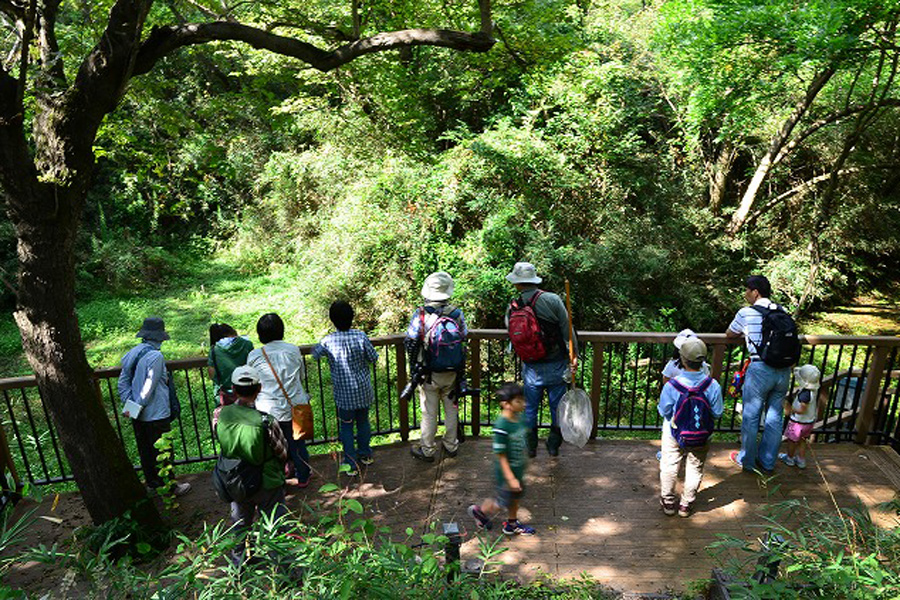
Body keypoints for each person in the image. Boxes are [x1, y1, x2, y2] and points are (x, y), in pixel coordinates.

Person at [214, 365, 289, 567]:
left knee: (240, 523)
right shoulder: (266, 421)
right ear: (259, 388)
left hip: (234, 478)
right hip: (266, 480)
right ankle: (283, 570)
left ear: (234, 389)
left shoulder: (219, 414)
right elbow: (281, 451)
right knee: (275, 524)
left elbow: (220, 437)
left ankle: (238, 567)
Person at [505, 262, 577, 458]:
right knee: (557, 407)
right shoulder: (552, 300)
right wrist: (574, 356)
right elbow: (567, 329)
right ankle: (553, 445)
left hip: (531, 367)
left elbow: (512, 334)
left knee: (530, 408)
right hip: (556, 364)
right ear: (534, 280)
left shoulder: (513, 306)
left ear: (517, 284)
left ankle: (531, 447)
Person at [726, 275, 792, 474]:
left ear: (755, 292)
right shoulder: (782, 311)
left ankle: (747, 460)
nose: (745, 293)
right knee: (774, 417)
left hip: (760, 369)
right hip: (783, 370)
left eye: (747, 290)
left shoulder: (746, 313)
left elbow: (730, 334)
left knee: (751, 416)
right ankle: (768, 461)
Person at [118, 316, 191, 496]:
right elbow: (149, 387)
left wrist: (131, 406)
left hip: (138, 415)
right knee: (163, 451)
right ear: (159, 337)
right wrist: (138, 405)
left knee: (146, 450)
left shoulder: (132, 353)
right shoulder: (155, 356)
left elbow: (123, 382)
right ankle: (170, 487)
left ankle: (152, 484)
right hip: (157, 413)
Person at [406, 272, 468, 463]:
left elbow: (411, 339)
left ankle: (428, 449)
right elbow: (464, 335)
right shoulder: (456, 314)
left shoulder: (421, 314)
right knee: (451, 408)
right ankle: (451, 445)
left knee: (429, 411)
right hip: (452, 372)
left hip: (428, 372)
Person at [658, 338, 723, 518]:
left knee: (670, 465)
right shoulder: (713, 385)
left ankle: (668, 502)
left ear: (682, 359)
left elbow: (664, 410)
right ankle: (686, 504)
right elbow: (717, 413)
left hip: (673, 431)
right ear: (703, 360)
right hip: (702, 434)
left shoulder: (672, 385)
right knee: (696, 466)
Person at [312, 301, 379, 475]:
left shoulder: (328, 340)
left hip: (344, 394)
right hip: (363, 390)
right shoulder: (360, 336)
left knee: (347, 426)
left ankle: (350, 463)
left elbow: (315, 355)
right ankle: (365, 454)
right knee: (363, 422)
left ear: (332, 320)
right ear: (352, 317)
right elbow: (373, 357)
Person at [247, 313, 312, 487]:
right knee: (298, 443)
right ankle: (303, 476)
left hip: (268, 409)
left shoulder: (254, 355)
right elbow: (301, 376)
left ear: (260, 334)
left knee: (273, 447)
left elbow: (254, 383)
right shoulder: (293, 350)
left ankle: (279, 480)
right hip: (295, 406)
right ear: (281, 330)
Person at [467, 382, 536, 535]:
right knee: (502, 501)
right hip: (506, 474)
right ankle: (479, 511)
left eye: (522, 400)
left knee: (516, 497)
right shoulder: (501, 426)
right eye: (518, 401)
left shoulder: (519, 419)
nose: (523, 404)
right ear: (506, 404)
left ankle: (511, 524)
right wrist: (510, 478)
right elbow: (501, 456)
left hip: (518, 470)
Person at [779, 364, 821, 469]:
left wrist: (790, 409)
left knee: (792, 441)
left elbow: (802, 410)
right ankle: (801, 460)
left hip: (798, 423)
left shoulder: (805, 394)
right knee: (802, 441)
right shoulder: (813, 391)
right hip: (809, 422)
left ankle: (789, 458)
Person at [208, 323, 254, 405]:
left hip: (226, 395)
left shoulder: (214, 350)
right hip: (247, 391)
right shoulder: (247, 344)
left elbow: (212, 374)